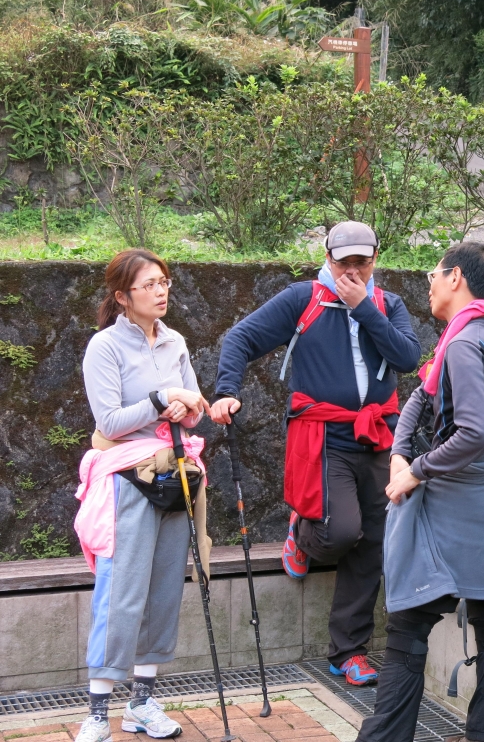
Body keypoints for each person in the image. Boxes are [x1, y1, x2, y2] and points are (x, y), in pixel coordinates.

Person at [210, 221, 421, 685]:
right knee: (341, 533)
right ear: (327, 258)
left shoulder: (387, 304)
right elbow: (239, 339)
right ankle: (303, 528)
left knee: (374, 543)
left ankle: (348, 652)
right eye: (343, 261)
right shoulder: (302, 299)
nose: (352, 269)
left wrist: (363, 308)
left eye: (361, 261)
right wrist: (227, 391)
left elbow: (408, 357)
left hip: (378, 436)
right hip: (323, 437)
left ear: (375, 259)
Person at [357, 242, 484, 742]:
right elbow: (421, 395)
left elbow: (474, 432)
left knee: (408, 627)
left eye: (434, 273)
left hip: (457, 512)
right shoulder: (483, 335)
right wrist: (398, 451)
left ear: (456, 277)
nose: (430, 282)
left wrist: (415, 470)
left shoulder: (462, 343)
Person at [75, 249, 212, 742]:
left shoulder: (175, 342)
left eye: (165, 282)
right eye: (150, 284)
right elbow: (109, 422)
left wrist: (186, 410)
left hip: (175, 474)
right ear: (122, 296)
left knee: (162, 590)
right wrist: (160, 401)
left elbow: (194, 404)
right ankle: (96, 712)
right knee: (121, 592)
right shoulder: (104, 347)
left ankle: (142, 704)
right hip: (127, 477)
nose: (161, 291)